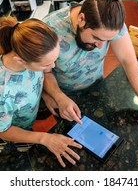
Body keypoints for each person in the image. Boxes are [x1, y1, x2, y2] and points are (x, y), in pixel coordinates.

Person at [43, 0, 138, 139]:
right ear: (81, 19)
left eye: (107, 40)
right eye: (96, 38)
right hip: (63, 97)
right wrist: (55, 96)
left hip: (99, 89)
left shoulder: (110, 22)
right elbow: (43, 72)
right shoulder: (49, 30)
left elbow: (129, 62)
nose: (101, 46)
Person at [0, 16, 82, 168]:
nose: (52, 67)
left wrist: (48, 95)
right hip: (13, 132)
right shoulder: (3, 90)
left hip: (28, 121)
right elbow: (3, 130)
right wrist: (45, 139)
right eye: (45, 64)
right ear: (20, 60)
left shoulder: (28, 53)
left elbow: (38, 76)